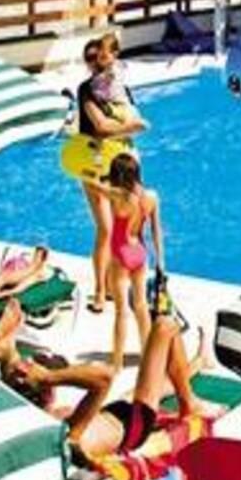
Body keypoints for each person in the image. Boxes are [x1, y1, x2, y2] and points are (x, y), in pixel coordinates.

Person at [2, 315, 218, 469]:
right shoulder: (64, 433)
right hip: (134, 425)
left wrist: (9, 340)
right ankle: (189, 403)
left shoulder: (46, 420)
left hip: (112, 414)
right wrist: (47, 377)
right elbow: (104, 377)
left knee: (164, 385)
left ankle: (200, 362)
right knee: (165, 325)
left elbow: (9, 362)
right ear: (45, 393)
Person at [63, 38, 145, 314]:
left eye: (97, 56)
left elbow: (130, 119)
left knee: (125, 228)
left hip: (122, 163)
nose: (94, 63)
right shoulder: (86, 90)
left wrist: (129, 126)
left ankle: (113, 284)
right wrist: (131, 126)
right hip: (94, 163)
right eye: (89, 58)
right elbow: (101, 126)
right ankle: (99, 290)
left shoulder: (122, 89)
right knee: (106, 229)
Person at [81, 152, 163, 373]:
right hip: (140, 253)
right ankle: (148, 355)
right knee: (141, 306)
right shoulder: (151, 197)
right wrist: (160, 261)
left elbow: (91, 185)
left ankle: (116, 362)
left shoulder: (118, 196)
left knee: (121, 312)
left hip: (121, 254)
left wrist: (94, 164)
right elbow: (157, 231)